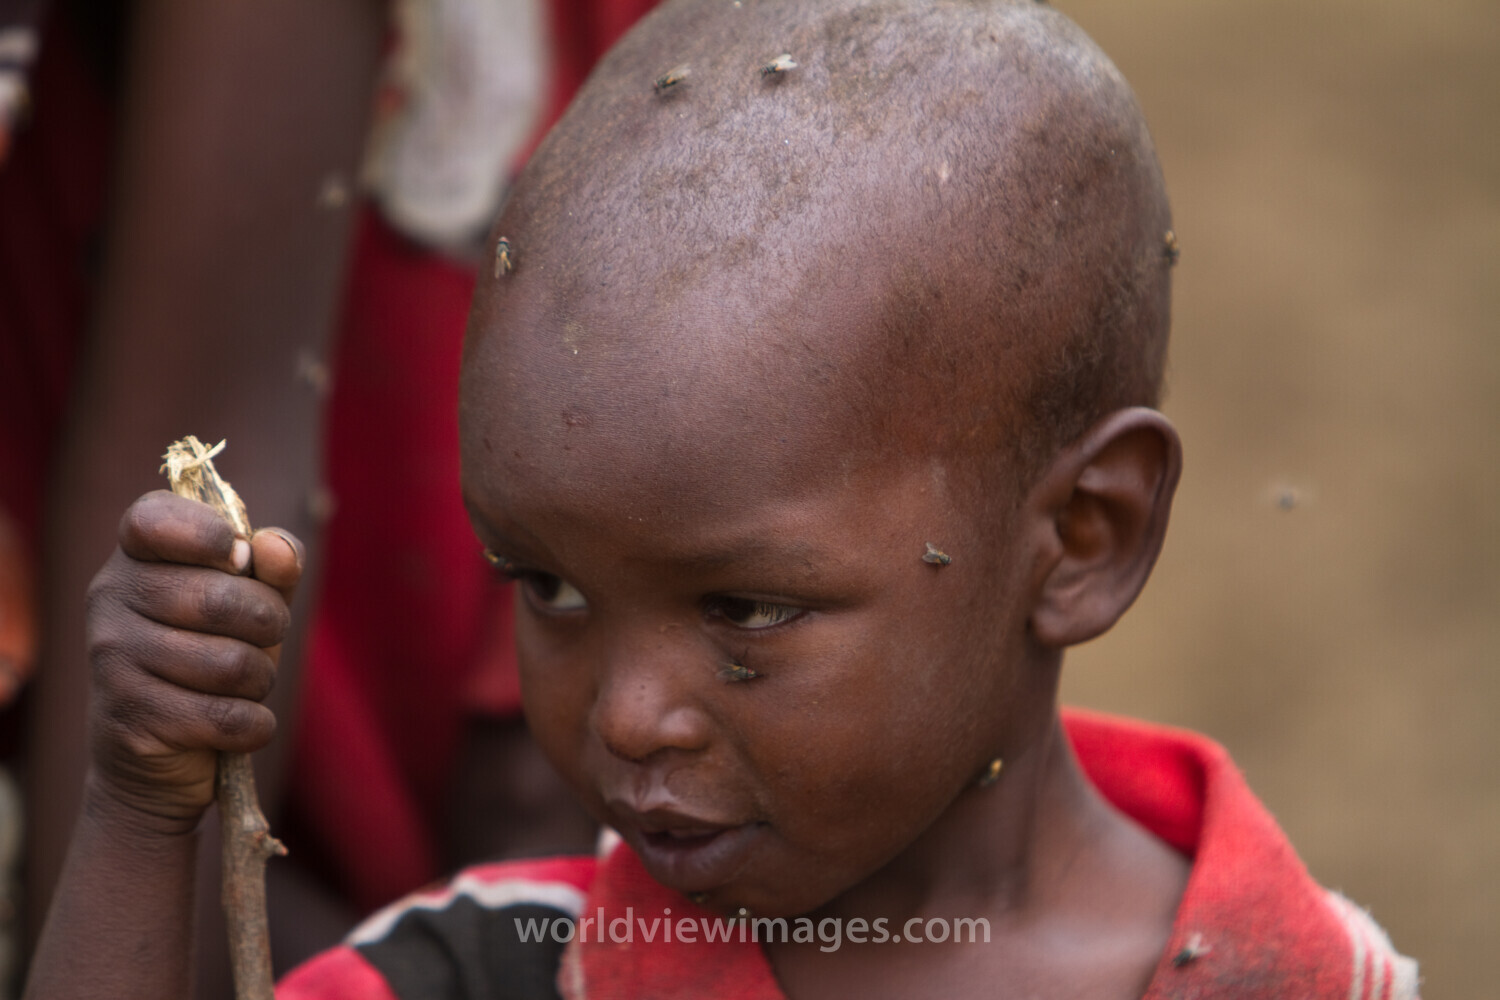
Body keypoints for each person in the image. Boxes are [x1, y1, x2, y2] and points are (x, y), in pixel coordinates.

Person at [22, 0, 1420, 997]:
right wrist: (145, 820)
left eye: (745, 606)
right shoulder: (490, 969)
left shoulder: (1315, 979)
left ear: (1086, 536)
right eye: (548, 588)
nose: (627, 715)